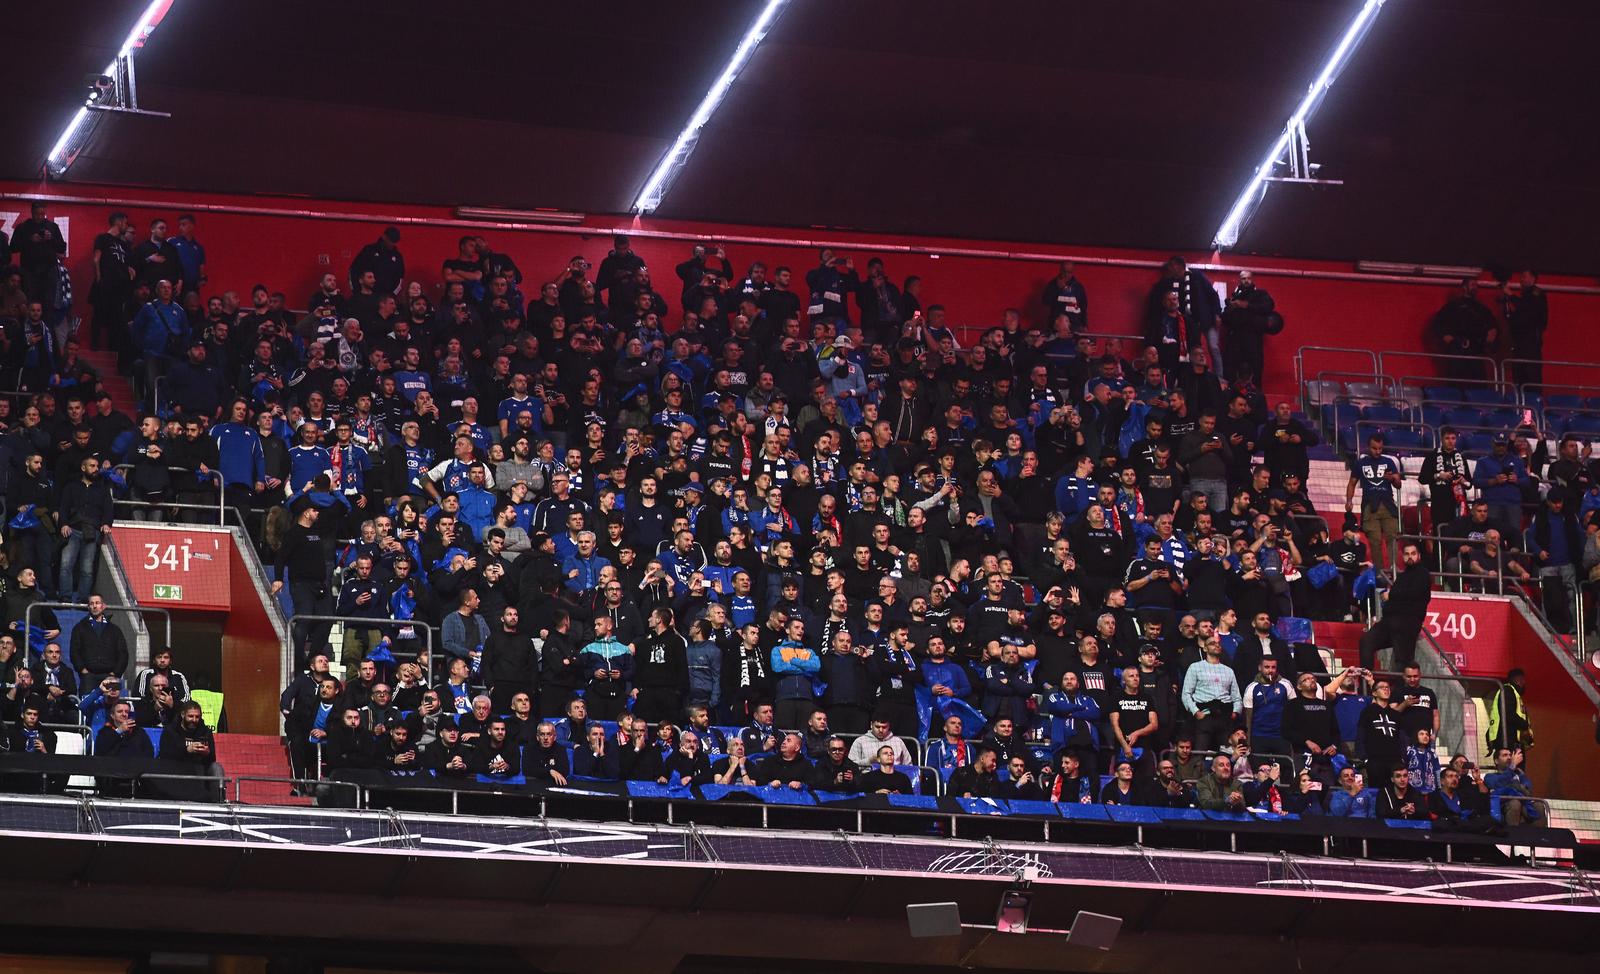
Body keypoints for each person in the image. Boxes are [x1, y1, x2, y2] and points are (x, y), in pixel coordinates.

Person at [1358, 543, 1432, 670]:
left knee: (1402, 662)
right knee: (1366, 642)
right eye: (1407, 554)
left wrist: (1391, 594)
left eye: (1413, 554)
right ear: (1402, 557)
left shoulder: (1423, 574)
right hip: (1389, 621)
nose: (1410, 557)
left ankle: (1401, 689)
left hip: (1407, 623)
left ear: (1419, 556)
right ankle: (1367, 684)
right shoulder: (1402, 577)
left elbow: (1414, 593)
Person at [1345, 433, 1402, 571]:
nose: (1377, 451)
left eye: (1380, 448)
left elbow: (1398, 484)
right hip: (1369, 507)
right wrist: (1349, 500)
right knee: (1374, 541)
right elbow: (1352, 483)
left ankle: (1393, 570)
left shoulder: (1389, 462)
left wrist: (1392, 479)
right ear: (1368, 447)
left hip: (1388, 505)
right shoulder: (1360, 463)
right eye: (1374, 448)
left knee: (1392, 538)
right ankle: (1379, 572)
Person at [1486, 668, 1534, 755]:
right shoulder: (1508, 690)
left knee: (1515, 767)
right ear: (1518, 680)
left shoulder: (1514, 694)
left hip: (1512, 741)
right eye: (1523, 680)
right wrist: (1524, 725)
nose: (1524, 683)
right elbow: (1508, 714)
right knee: (1511, 767)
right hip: (1507, 741)